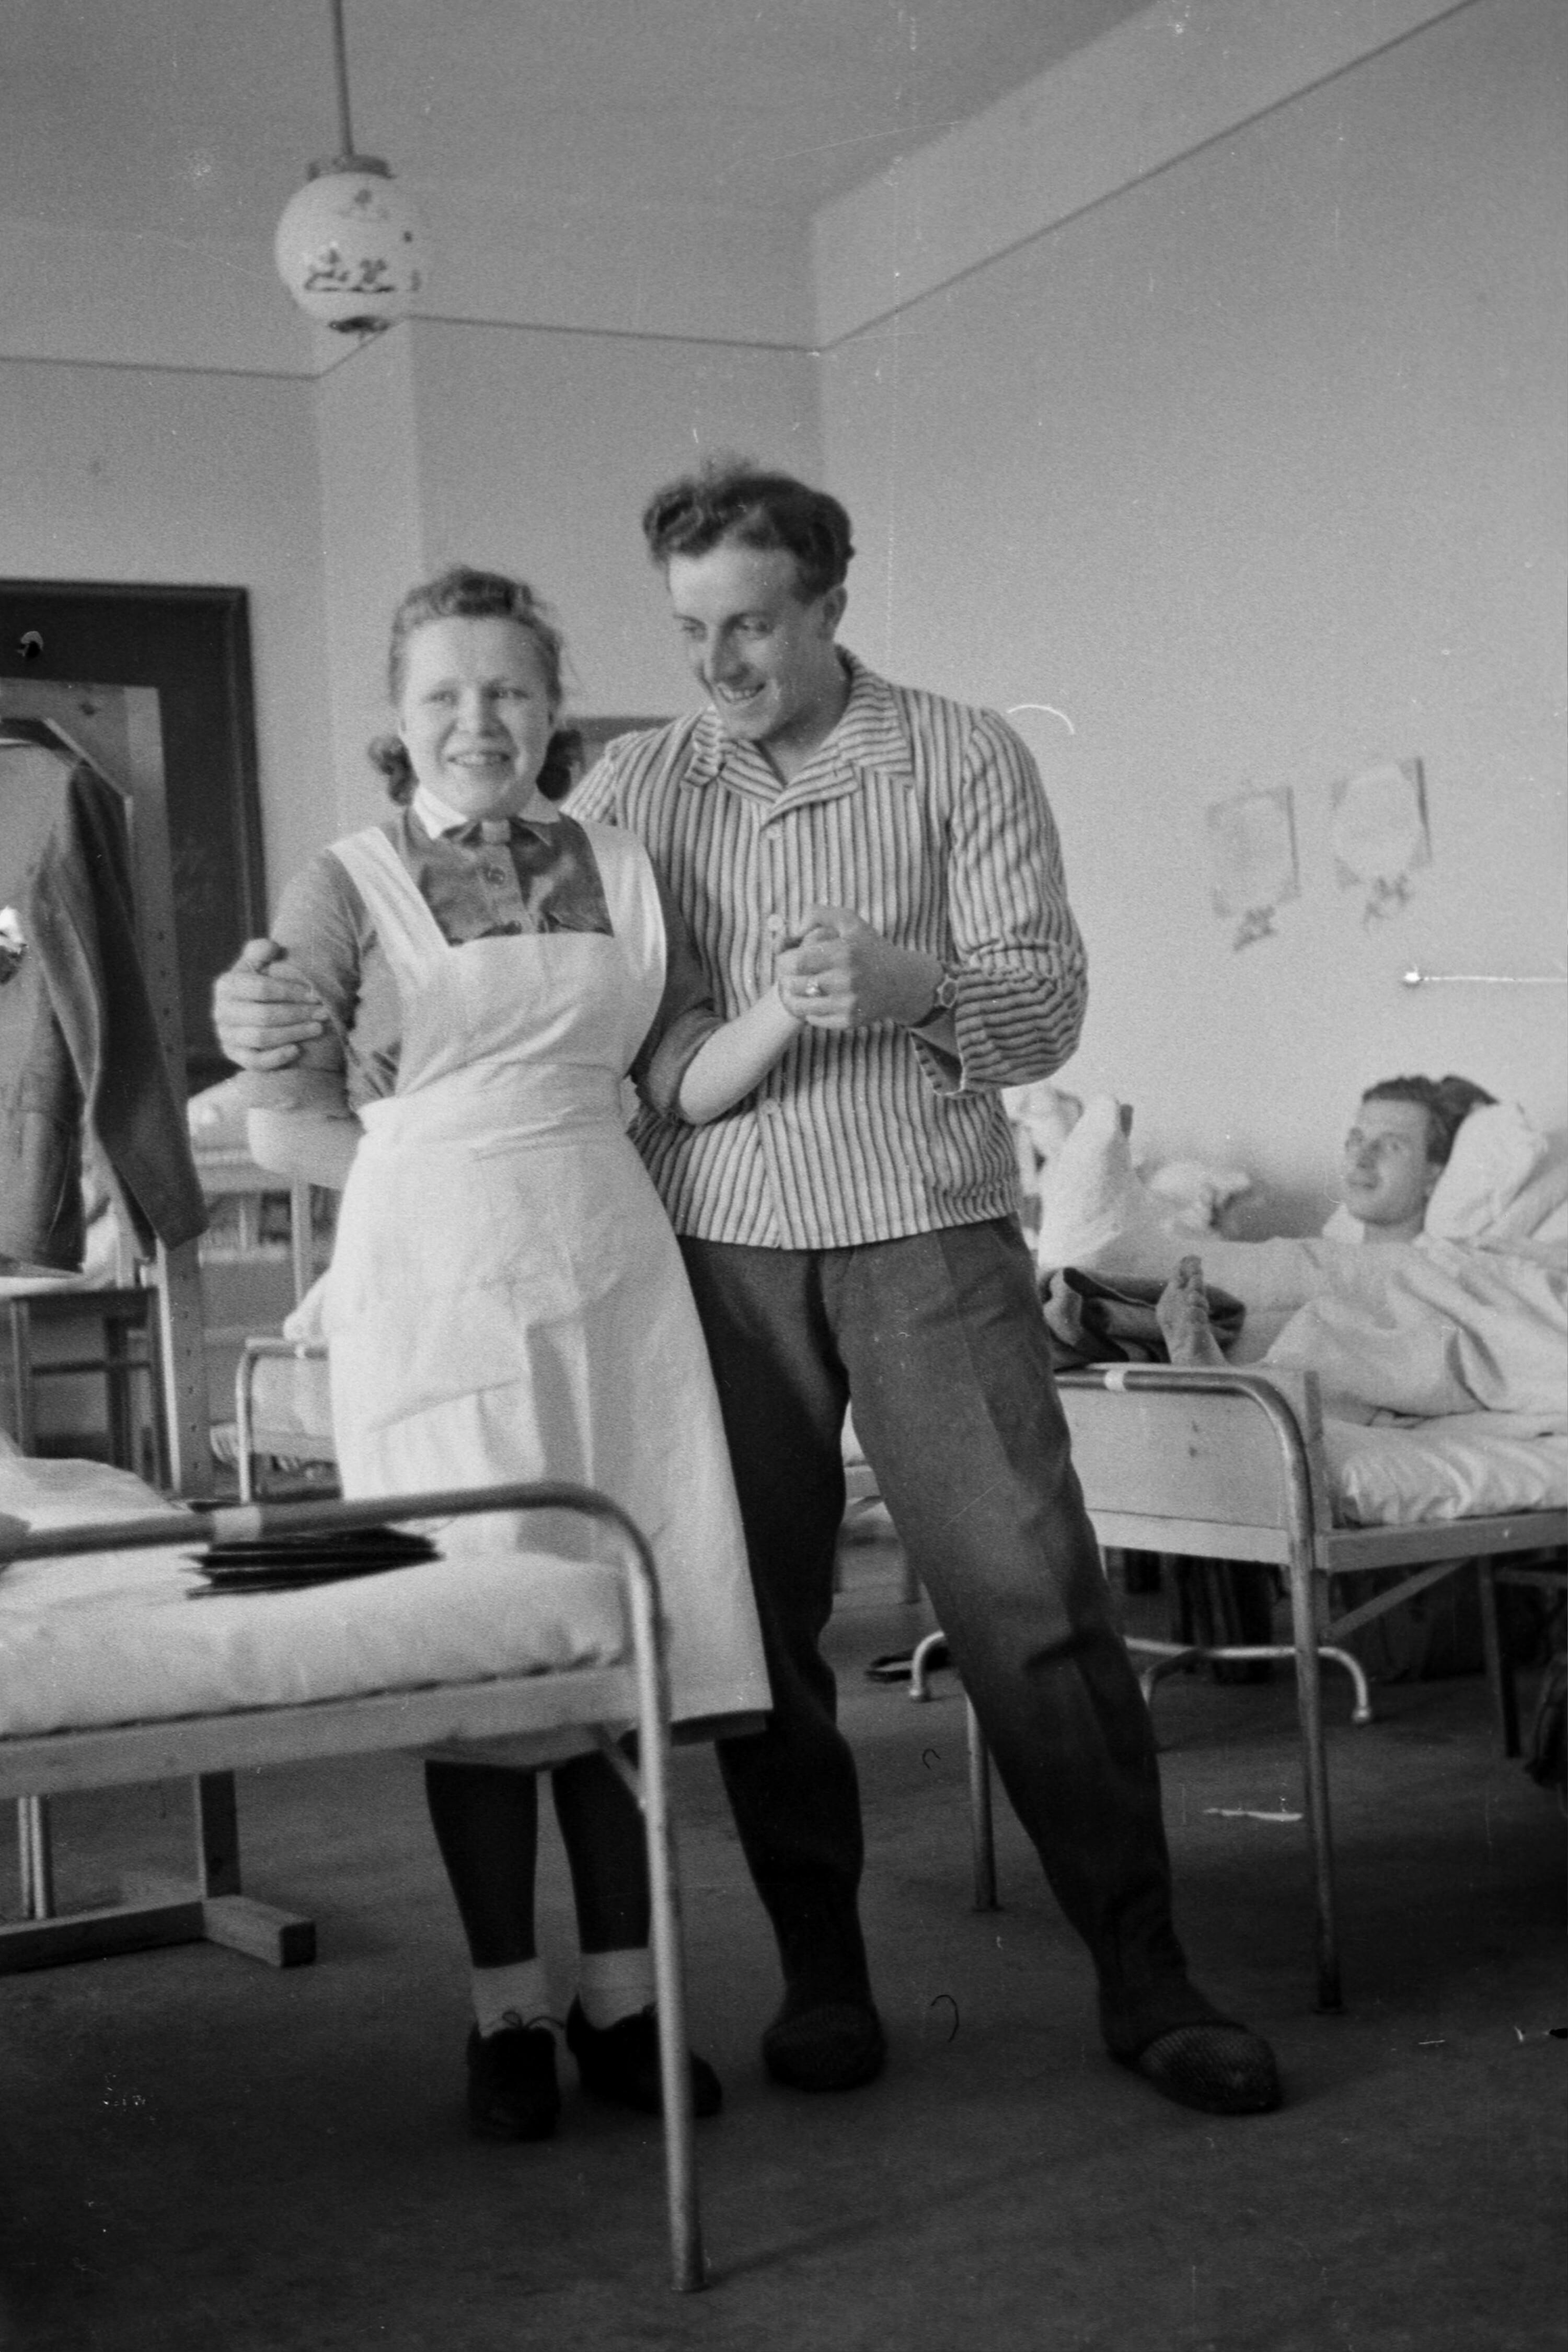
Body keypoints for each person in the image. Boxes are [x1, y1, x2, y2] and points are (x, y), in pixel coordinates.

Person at [217, 463, 1281, 2119]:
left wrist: (916, 984)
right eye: (692, 629)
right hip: (708, 1249)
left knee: (1031, 1608)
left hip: (926, 1230)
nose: (720, 662)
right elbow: (524, 984)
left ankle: (1147, 1976)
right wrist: (268, 1010)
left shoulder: (960, 753)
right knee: (758, 1629)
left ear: (832, 603)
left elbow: (1049, 1002)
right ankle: (822, 1976)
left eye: (755, 625)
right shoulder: (636, 787)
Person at [238, 563, 804, 2146]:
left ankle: (623, 1999)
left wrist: (788, 1008)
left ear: (553, 708)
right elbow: (281, 1117)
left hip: (613, 1267)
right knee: (484, 1638)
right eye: (444, 694)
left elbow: (680, 1072)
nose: (477, 720)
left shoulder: (622, 864)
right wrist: (430, 1190)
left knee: (626, 1631)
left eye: (508, 690)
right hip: (439, 1287)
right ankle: (505, 2011)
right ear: (398, 715)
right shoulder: (345, 883)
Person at [1160, 1073, 1500, 1363]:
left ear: (1434, 1174)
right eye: (1357, 1140)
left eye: (1391, 1146)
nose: (1362, 1158)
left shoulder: (1436, 1280)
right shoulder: (1322, 1260)